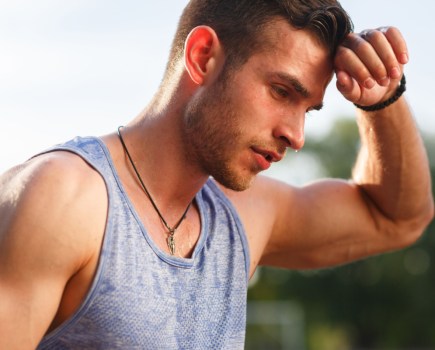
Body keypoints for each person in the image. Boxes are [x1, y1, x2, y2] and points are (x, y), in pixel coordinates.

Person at [1, 0, 433, 348]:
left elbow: (398, 218)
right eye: (282, 92)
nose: (296, 135)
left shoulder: (243, 216)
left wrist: (383, 99)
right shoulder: (64, 198)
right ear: (203, 56)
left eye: (308, 109)